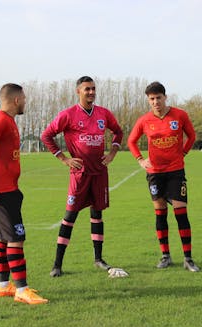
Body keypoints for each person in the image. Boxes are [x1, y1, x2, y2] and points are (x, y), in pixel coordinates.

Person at [41, 76, 128, 278]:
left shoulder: (103, 114)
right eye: (87, 89)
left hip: (99, 173)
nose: (91, 92)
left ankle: (98, 259)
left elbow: (118, 132)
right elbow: (47, 136)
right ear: (78, 91)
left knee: (97, 215)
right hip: (79, 175)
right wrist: (64, 159)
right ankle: (57, 264)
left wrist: (113, 152)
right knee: (69, 217)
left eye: (93, 89)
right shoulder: (68, 115)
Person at [0, 83, 48, 305]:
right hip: (1, 192)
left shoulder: (8, 122)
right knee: (16, 239)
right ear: (16, 100)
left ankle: (2, 286)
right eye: (24, 98)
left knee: (2, 238)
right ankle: (21, 290)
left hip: (9, 190)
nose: (26, 101)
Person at [127, 81, 200, 272]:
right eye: (151, 99)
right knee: (160, 213)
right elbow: (131, 141)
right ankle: (165, 255)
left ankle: (188, 258)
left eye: (158, 98)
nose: (155, 102)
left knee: (181, 213)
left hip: (176, 171)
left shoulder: (180, 115)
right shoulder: (144, 120)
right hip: (155, 174)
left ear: (165, 97)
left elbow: (192, 136)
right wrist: (141, 160)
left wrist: (183, 153)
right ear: (148, 100)